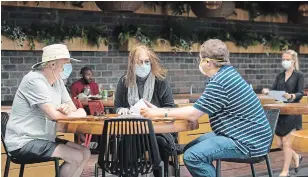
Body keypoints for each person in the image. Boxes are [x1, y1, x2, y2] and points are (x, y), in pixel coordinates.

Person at [140, 39, 272, 177]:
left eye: (201, 59)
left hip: (248, 143)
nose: (199, 63)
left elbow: (192, 114)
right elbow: (197, 109)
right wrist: (159, 111)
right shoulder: (227, 74)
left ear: (208, 62)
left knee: (192, 156)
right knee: (190, 147)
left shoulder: (220, 82)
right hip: (248, 137)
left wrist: (157, 113)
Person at [4, 44, 91, 177]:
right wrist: (80, 112)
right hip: (23, 142)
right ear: (52, 65)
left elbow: (72, 107)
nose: (67, 67)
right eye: (65, 63)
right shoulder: (34, 80)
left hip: (44, 138)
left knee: (85, 153)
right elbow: (54, 115)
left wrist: (71, 110)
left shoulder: (58, 81)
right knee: (76, 157)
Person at [114, 44, 177, 177]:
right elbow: (117, 106)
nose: (143, 65)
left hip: (158, 132)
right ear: (132, 64)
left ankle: (161, 172)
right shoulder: (124, 81)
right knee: (126, 147)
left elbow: (171, 108)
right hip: (133, 131)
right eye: (140, 62)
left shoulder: (160, 81)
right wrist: (122, 110)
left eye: (147, 62)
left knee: (159, 144)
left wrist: (156, 111)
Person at [262, 50, 304, 176]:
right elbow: (274, 90)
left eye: (287, 59)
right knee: (280, 143)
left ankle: (285, 171)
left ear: (293, 60)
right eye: (283, 59)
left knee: (286, 142)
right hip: (281, 112)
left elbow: (300, 93)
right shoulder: (280, 75)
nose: (284, 61)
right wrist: (267, 91)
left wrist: (291, 96)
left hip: (292, 111)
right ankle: (296, 157)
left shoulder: (299, 75)